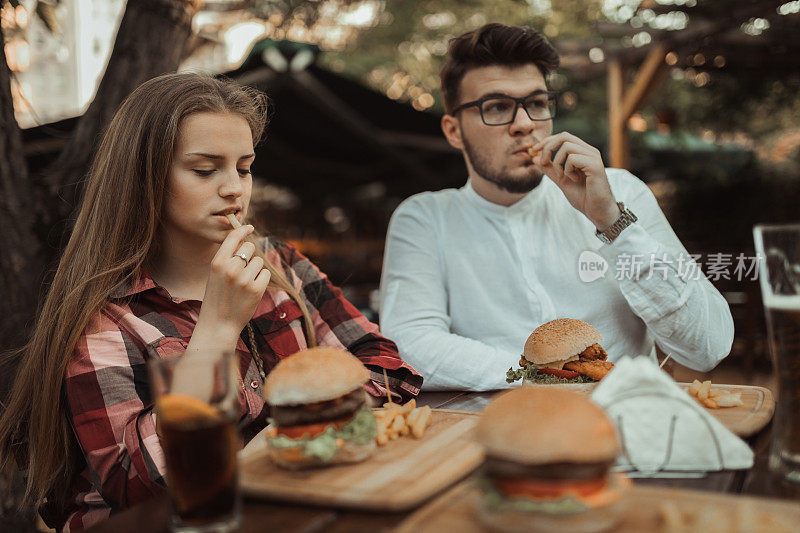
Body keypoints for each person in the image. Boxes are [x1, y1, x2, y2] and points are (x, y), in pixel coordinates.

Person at [0, 73, 421, 531]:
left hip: (290, 510)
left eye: (243, 167)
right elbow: (145, 484)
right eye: (205, 169)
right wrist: (217, 328)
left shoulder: (277, 262)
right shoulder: (105, 319)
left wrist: (303, 432)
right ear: (144, 179)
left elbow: (386, 366)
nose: (234, 188)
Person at [379, 23, 734, 391]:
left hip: (628, 423)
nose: (524, 124)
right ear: (454, 131)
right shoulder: (425, 218)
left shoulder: (620, 191)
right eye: (497, 107)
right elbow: (411, 345)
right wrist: (547, 376)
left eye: (535, 104)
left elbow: (708, 347)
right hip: (499, 433)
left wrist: (612, 223)